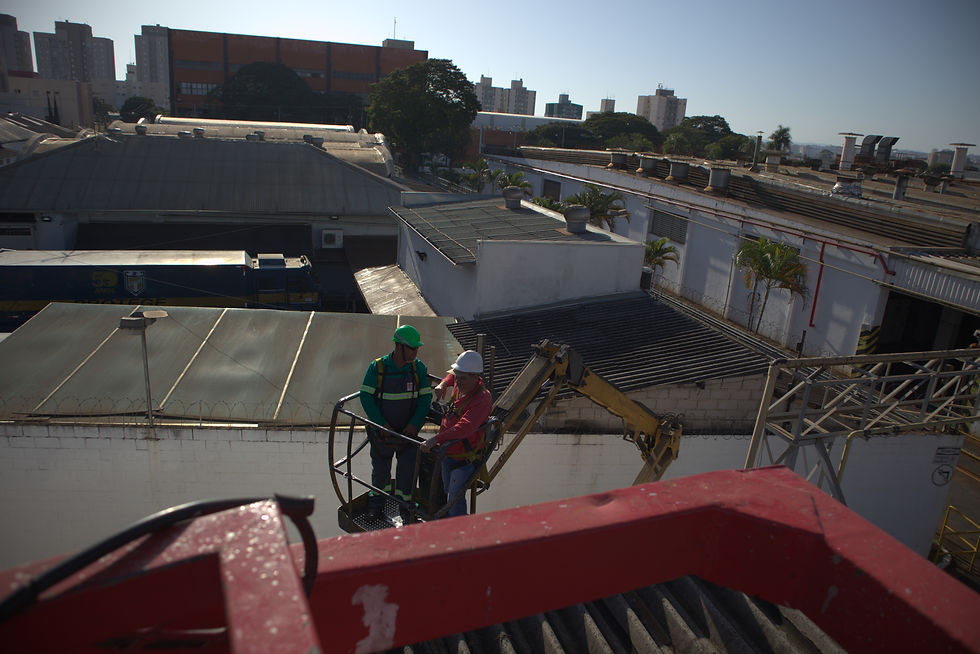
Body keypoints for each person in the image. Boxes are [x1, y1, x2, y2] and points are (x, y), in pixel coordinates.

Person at [359, 324, 432, 520]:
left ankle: (406, 510)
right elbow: (366, 397)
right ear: (399, 346)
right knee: (380, 472)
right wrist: (382, 425)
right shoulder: (378, 368)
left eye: (416, 348)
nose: (415, 352)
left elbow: (426, 398)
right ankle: (376, 505)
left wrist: (414, 424)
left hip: (408, 434)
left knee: (407, 474)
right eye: (412, 348)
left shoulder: (418, 369)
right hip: (382, 434)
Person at [421, 350, 492, 518]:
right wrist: (443, 384)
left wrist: (435, 440)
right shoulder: (463, 383)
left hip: (464, 459)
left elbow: (464, 428)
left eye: (462, 378)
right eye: (457, 377)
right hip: (448, 453)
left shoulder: (482, 399)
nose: (458, 381)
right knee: (449, 493)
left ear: (475, 377)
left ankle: (459, 530)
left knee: (455, 500)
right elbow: (453, 376)